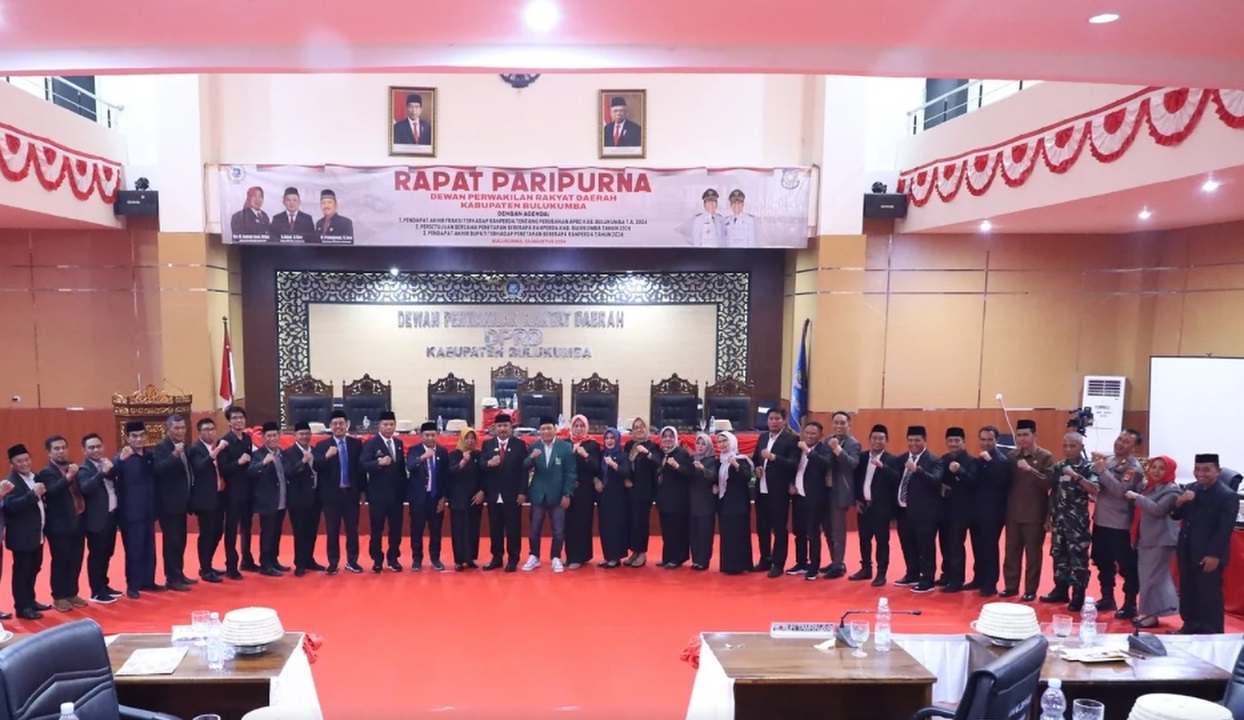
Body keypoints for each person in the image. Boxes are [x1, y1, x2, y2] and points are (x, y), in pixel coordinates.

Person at [1171, 453, 1239, 634]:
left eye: (1206, 470)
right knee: (1188, 590)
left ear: (1218, 471)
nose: (1200, 474)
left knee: (1208, 594)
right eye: (1197, 469)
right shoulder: (1191, 488)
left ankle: (1211, 632)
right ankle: (1189, 626)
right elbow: (1175, 515)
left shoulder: (1227, 496)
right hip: (1187, 549)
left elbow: (1224, 529)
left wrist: (1214, 555)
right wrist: (1180, 501)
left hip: (1208, 554)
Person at [1089, 429, 1144, 618]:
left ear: (1134, 447)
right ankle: (1107, 597)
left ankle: (1130, 604)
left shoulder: (1133, 468)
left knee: (1127, 566)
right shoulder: (1110, 460)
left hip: (1120, 524)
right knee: (1103, 562)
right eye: (1120, 439)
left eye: (1126, 442)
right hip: (1101, 520)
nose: (1120, 443)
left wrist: (1102, 471)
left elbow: (1121, 491)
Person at [1041, 432, 1098, 611]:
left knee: (1078, 559)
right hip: (1059, 520)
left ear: (1081, 447)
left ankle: (1078, 595)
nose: (1068, 449)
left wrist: (1076, 476)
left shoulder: (1088, 467)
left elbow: (1095, 490)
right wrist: (1048, 516)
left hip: (1077, 523)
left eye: (1072, 446)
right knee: (1059, 555)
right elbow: (1054, 492)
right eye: (1065, 446)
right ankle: (1061, 589)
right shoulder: (1060, 466)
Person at [1002, 419, 1055, 601]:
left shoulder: (1045, 456)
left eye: (1026, 435)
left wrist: (1030, 470)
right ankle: (1011, 586)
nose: (1022, 438)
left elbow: (1049, 483)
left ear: (1034, 436)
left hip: (1034, 514)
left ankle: (1031, 589)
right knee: (1011, 553)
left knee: (1033, 555)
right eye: (1019, 435)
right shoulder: (1011, 456)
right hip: (1013, 513)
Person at [1125, 455, 1180, 629]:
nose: (1156, 471)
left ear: (1169, 470)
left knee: (1151, 579)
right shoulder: (1148, 486)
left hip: (1161, 540)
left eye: (1162, 468)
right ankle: (1156, 611)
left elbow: (1159, 509)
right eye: (1154, 467)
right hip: (1146, 538)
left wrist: (1137, 498)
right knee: (1153, 579)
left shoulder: (1172, 490)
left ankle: (1151, 615)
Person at [109, 421, 161, 598]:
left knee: (149, 549)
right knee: (134, 550)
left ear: (146, 436)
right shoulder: (122, 457)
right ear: (127, 438)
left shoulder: (149, 455)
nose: (138, 439)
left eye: (141, 435)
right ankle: (133, 585)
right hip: (130, 513)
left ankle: (148, 581)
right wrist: (119, 461)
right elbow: (109, 474)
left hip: (148, 510)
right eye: (134, 436)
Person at [40, 434, 89, 610]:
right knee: (61, 560)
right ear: (49, 452)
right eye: (56, 449)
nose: (61, 451)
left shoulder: (72, 467)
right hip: (59, 525)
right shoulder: (47, 472)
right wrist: (68, 477)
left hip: (78, 520)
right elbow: (52, 492)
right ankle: (59, 596)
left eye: (63, 448)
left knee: (76, 559)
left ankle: (72, 592)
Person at [892, 425, 944, 593]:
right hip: (903, 511)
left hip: (925, 513)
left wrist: (918, 470)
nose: (913, 443)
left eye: (917, 440)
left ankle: (927, 579)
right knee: (907, 545)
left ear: (925, 440)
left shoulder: (934, 460)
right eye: (910, 440)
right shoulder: (901, 459)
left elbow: (935, 480)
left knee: (926, 547)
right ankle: (912, 574)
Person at [522, 417, 576, 572]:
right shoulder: (534, 447)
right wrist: (531, 458)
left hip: (558, 494)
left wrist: (567, 494)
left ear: (555, 429)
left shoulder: (565, 447)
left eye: (549, 428)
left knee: (558, 530)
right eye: (543, 429)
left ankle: (556, 557)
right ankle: (534, 556)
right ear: (539, 431)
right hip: (538, 494)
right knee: (534, 528)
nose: (546, 432)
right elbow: (524, 467)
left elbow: (571, 473)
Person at [314, 409, 364, 574]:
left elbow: (361, 470)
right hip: (331, 496)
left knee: (352, 530)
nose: (338, 426)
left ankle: (352, 561)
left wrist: (362, 491)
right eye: (334, 424)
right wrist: (326, 456)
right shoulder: (322, 445)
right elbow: (316, 466)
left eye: (341, 423)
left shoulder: (356, 444)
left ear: (347, 425)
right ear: (330, 426)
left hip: (351, 493)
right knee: (332, 530)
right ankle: (333, 562)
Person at [752, 407, 800, 578]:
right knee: (762, 528)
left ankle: (778, 563)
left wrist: (774, 458)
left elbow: (793, 463)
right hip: (762, 489)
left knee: (779, 528)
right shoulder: (763, 437)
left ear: (784, 421)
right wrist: (757, 468)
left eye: (777, 418)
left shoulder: (791, 439)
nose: (774, 421)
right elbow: (756, 459)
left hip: (779, 490)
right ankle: (765, 559)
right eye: (771, 418)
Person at [851, 424, 898, 587]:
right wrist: (856, 500)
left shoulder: (892, 460)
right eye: (874, 438)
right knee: (864, 539)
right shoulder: (862, 457)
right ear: (869, 439)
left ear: (886, 440)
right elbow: (855, 480)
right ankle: (866, 568)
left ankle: (881, 572)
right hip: (863, 505)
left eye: (881, 438)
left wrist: (883, 467)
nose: (877, 441)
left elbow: (896, 479)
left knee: (882, 541)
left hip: (881, 508)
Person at [151, 415, 194, 591]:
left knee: (181, 540)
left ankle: (179, 573)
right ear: (168, 429)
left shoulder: (185, 445)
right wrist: (173, 456)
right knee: (172, 542)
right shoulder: (161, 447)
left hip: (182, 503)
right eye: (176, 428)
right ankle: (172, 578)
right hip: (168, 504)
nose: (180, 431)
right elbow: (157, 470)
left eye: (182, 428)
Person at [966, 425, 1009, 597]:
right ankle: (978, 578)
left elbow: (1001, 481)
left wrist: (990, 462)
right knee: (977, 547)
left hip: (993, 513)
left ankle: (990, 584)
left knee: (989, 549)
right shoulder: (979, 459)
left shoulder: (1001, 460)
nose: (986, 443)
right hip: (976, 512)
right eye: (983, 439)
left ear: (996, 440)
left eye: (990, 440)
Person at [77, 433, 121, 602]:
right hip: (96, 520)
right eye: (91, 447)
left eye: (98, 446)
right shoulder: (84, 469)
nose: (96, 450)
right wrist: (102, 473)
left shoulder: (105, 463)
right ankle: (96, 591)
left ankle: (104, 585)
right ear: (84, 450)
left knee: (107, 553)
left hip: (111, 516)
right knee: (97, 555)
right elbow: (86, 488)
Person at [480, 413, 526, 572]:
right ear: (494, 428)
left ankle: (513, 559)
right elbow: (481, 466)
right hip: (494, 494)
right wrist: (488, 463)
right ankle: (497, 558)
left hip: (512, 494)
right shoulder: (487, 444)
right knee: (495, 529)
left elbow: (524, 471)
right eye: (499, 426)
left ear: (511, 428)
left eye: (506, 426)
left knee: (513, 529)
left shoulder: (519, 445)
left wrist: (522, 492)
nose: (502, 429)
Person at [361, 411, 406, 573]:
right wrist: (378, 463)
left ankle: (393, 558)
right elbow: (363, 464)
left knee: (396, 528)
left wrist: (404, 492)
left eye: (391, 424)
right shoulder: (371, 443)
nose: (388, 427)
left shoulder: (398, 443)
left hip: (396, 495)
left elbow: (401, 469)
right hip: (378, 495)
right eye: (385, 424)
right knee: (377, 529)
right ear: (379, 426)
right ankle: (377, 559)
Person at [819, 411, 861, 579]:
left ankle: (839, 565)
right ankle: (834, 560)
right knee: (827, 529)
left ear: (849, 425)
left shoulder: (853, 443)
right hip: (825, 490)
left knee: (838, 531)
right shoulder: (828, 439)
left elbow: (853, 464)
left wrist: (837, 450)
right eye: (836, 422)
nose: (839, 426)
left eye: (842, 423)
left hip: (840, 491)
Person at [4, 444, 44, 619]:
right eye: (19, 461)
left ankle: (31, 601)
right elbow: (10, 506)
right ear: (11, 464)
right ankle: (22, 607)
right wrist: (33, 495)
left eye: (27, 459)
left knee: (34, 568)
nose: (24, 463)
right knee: (22, 572)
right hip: (21, 536)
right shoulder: (10, 482)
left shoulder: (35, 477)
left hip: (37, 534)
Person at [217, 405, 257, 578]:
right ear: (229, 422)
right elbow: (223, 469)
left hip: (248, 490)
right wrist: (238, 463)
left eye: (241, 417)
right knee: (232, 529)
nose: (238, 421)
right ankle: (231, 565)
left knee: (247, 527)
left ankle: (247, 559)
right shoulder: (224, 442)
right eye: (234, 418)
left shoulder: (247, 438)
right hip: (232, 492)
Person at [248, 422, 290, 576]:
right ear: (263, 437)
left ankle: (274, 560)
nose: (272, 438)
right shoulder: (258, 454)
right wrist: (263, 463)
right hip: (267, 500)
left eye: (275, 435)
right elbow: (250, 472)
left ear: (279, 436)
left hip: (282, 499)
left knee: (277, 532)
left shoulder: (282, 453)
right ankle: (265, 564)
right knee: (267, 532)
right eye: (269, 436)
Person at [187, 418, 226, 583]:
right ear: (200, 433)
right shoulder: (196, 449)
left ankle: (208, 564)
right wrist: (217, 451)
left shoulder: (215, 447)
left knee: (218, 532)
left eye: (212, 429)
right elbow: (200, 467)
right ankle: (205, 568)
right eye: (206, 430)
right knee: (207, 534)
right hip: (204, 499)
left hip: (219, 495)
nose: (210, 432)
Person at [794, 421, 834, 581]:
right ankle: (801, 563)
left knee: (813, 533)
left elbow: (825, 464)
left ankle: (814, 566)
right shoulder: (797, 448)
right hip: (798, 495)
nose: (809, 436)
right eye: (807, 433)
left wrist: (808, 451)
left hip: (815, 497)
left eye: (813, 434)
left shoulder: (824, 449)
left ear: (820, 435)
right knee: (799, 532)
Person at [937, 427, 976, 593]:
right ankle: (946, 574)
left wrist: (960, 471)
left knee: (955, 545)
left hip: (961, 510)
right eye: (950, 441)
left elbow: (973, 482)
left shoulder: (971, 461)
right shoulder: (944, 459)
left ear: (963, 442)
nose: (953, 444)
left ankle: (957, 579)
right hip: (944, 508)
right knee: (944, 543)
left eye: (956, 441)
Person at [407, 421, 449, 571]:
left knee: (436, 531)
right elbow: (410, 466)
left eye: (433, 435)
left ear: (437, 435)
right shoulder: (414, 450)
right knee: (417, 530)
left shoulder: (442, 452)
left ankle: (435, 558)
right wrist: (423, 457)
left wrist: (443, 498)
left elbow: (446, 476)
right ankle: (417, 559)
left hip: (435, 498)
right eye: (427, 435)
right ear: (421, 436)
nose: (430, 438)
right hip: (418, 498)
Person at [284, 421, 323, 576]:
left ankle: (309, 559)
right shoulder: (289, 453)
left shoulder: (316, 451)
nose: (304, 436)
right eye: (301, 434)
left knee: (312, 531)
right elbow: (289, 473)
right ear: (295, 436)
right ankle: (299, 563)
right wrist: (302, 462)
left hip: (315, 498)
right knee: (300, 532)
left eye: (307, 433)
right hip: (298, 500)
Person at [654, 426, 694, 569]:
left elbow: (689, 473)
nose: (667, 439)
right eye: (665, 436)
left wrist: (677, 466)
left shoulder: (681, 453)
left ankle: (677, 558)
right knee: (667, 530)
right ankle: (667, 557)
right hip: (664, 499)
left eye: (671, 436)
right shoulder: (662, 454)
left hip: (678, 500)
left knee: (677, 530)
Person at [715, 432, 755, 575]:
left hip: (738, 503)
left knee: (739, 534)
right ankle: (728, 565)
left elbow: (747, 477)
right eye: (719, 441)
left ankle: (741, 565)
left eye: (725, 441)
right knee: (727, 535)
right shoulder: (720, 461)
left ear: (732, 442)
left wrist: (736, 465)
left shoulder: (741, 459)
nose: (722, 444)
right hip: (725, 502)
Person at [565, 415, 600, 569]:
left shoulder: (592, 444)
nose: (578, 429)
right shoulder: (565, 443)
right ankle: (570, 556)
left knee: (582, 523)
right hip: (569, 488)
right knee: (569, 523)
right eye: (576, 426)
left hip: (585, 489)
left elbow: (596, 467)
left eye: (581, 426)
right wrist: (569, 480)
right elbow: (561, 466)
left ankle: (580, 556)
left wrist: (585, 455)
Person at [447, 427, 485, 571]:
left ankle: (470, 558)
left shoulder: (478, 455)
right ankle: (459, 560)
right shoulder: (455, 454)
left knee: (473, 528)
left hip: (474, 498)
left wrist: (482, 491)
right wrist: (463, 462)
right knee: (458, 528)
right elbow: (450, 473)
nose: (470, 441)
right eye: (467, 438)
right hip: (458, 497)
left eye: (472, 438)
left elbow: (484, 475)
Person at [624, 418, 659, 567]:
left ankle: (642, 553)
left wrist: (648, 454)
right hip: (630, 490)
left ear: (647, 429)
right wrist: (625, 478)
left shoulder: (652, 446)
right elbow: (625, 464)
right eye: (635, 427)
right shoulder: (629, 445)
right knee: (631, 522)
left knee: (641, 523)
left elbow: (658, 463)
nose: (638, 430)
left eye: (641, 427)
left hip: (644, 491)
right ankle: (634, 551)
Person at [596, 428, 631, 568]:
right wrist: (596, 480)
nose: (609, 441)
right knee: (604, 527)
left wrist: (614, 465)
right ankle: (607, 556)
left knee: (615, 526)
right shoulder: (601, 454)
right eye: (607, 438)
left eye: (612, 438)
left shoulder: (622, 456)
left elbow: (627, 472)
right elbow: (595, 471)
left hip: (617, 497)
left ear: (617, 440)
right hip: (603, 496)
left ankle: (615, 557)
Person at [687, 432, 718, 571]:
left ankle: (704, 561)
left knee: (705, 532)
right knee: (694, 532)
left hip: (706, 501)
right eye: (698, 443)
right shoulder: (691, 459)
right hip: (692, 500)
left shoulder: (712, 461)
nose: (700, 446)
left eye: (703, 444)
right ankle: (695, 559)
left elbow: (714, 477)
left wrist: (703, 469)